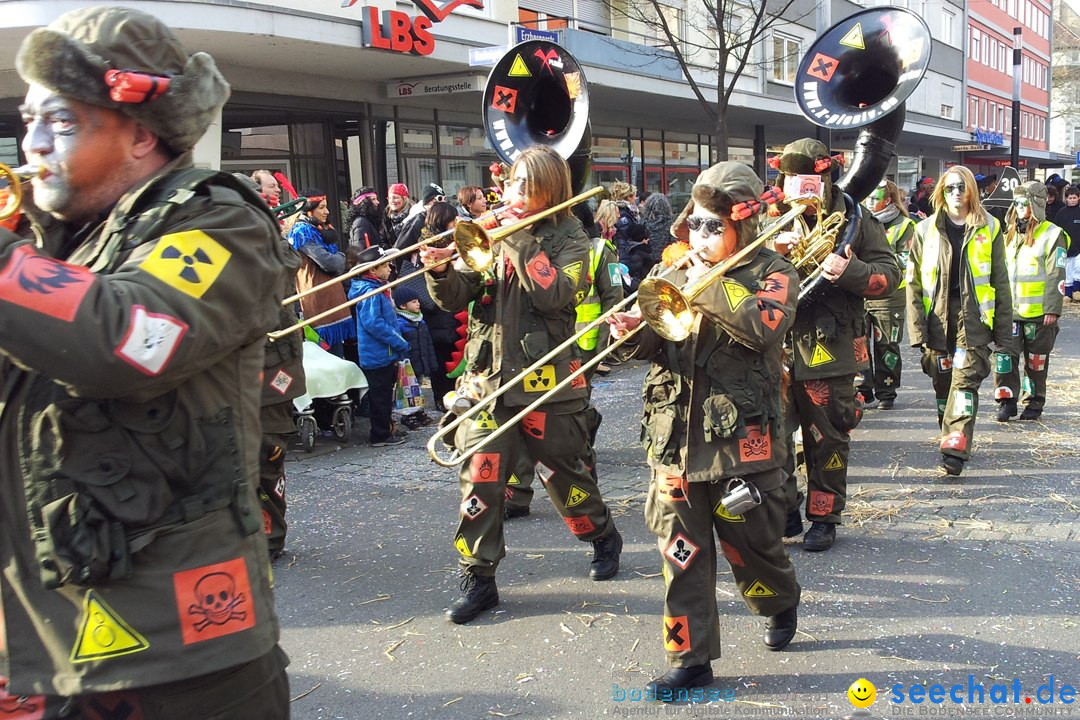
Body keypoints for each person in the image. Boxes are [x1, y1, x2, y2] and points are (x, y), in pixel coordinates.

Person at [0, 6, 290, 716]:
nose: (31, 143)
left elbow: (124, 338)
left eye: (60, 121)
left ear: (138, 133)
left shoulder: (218, 219)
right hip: (41, 642)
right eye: (28, 120)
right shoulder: (51, 239)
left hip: (171, 662)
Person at [608, 162, 801, 696]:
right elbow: (656, 343)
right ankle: (690, 658)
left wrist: (707, 286)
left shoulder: (775, 271)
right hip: (673, 440)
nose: (702, 236)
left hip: (741, 442)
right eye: (696, 224)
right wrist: (627, 333)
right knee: (680, 553)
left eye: (715, 225)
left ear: (743, 224)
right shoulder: (674, 271)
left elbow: (764, 328)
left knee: (753, 549)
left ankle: (780, 600)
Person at [421, 145, 623, 624]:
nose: (514, 194)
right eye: (512, 184)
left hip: (546, 382)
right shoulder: (488, 233)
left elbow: (557, 295)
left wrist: (515, 238)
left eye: (526, 187)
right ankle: (479, 576)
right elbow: (457, 298)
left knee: (564, 474)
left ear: (549, 192)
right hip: (487, 380)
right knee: (479, 477)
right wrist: (440, 269)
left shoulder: (572, 237)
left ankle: (601, 535)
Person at [771, 138, 900, 551]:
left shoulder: (857, 220)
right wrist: (770, 254)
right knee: (772, 435)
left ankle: (824, 516)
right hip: (771, 345)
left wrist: (850, 269)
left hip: (831, 344)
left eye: (807, 178)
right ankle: (785, 508)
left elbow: (890, 275)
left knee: (827, 436)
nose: (798, 186)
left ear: (825, 178)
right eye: (791, 178)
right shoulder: (766, 217)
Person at [906, 167, 1013, 476]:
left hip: (974, 321)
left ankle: (955, 446)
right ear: (942, 191)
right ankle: (951, 431)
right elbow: (912, 283)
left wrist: (1003, 334)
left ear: (971, 192)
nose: (956, 192)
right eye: (950, 187)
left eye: (962, 187)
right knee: (942, 384)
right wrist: (917, 330)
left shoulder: (989, 228)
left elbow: (1001, 281)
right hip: (937, 321)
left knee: (964, 382)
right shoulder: (924, 229)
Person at [235, 174, 306, 561]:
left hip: (270, 370)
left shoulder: (271, 245)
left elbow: (284, 267)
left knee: (267, 456)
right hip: (229, 371)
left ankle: (269, 536)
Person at [992, 182, 1069, 422]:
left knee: (1036, 362)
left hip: (1038, 313)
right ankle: (1007, 401)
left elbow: (1057, 273)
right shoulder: (1008, 235)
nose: (1020, 207)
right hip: (1009, 312)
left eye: (1024, 202)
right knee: (1004, 357)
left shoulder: (1052, 234)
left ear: (1036, 203)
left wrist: (1052, 309)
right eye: (1017, 202)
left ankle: (1034, 402)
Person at [857, 180, 916, 410]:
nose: (870, 202)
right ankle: (863, 389)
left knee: (886, 343)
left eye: (875, 198)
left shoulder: (904, 225)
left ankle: (887, 391)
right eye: (868, 198)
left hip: (889, 293)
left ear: (888, 200)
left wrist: (876, 262)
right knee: (858, 343)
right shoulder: (860, 221)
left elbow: (906, 259)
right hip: (861, 290)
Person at [397, 201, 461, 410]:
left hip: (441, 309)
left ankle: (446, 396)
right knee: (443, 356)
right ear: (443, 221)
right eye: (452, 220)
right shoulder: (434, 244)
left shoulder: (438, 239)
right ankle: (444, 397)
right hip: (437, 306)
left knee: (447, 355)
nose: (456, 223)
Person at [347, 245, 410, 447]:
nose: (390, 268)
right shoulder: (371, 292)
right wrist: (397, 340)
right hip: (377, 353)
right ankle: (380, 434)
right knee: (380, 395)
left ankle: (386, 428)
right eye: (385, 265)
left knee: (385, 393)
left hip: (383, 352)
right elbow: (374, 323)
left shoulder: (378, 289)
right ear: (373, 271)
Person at [287, 190, 355, 356]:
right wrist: (341, 256)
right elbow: (330, 263)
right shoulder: (302, 231)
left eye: (327, 207)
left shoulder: (318, 229)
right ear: (309, 211)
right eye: (322, 208)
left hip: (331, 300)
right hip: (317, 303)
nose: (327, 212)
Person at [394, 285, 437, 428]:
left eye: (417, 301)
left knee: (417, 388)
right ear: (402, 305)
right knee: (406, 390)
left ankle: (418, 410)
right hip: (407, 364)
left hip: (420, 362)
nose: (418, 303)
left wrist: (431, 362)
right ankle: (408, 414)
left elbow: (428, 343)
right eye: (413, 301)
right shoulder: (400, 323)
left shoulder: (421, 321)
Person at [1053, 185, 1080, 300]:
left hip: (1079, 246)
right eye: (1070, 198)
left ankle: (1077, 290)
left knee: (1078, 268)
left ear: (1079, 198)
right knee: (1068, 269)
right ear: (1066, 199)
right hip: (1067, 246)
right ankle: (1068, 293)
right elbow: (1056, 229)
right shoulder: (1061, 213)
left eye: (1074, 198)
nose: (1072, 200)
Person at [641, 192, 675, 265]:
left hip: (648, 259)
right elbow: (673, 242)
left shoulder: (644, 222)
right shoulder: (670, 223)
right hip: (666, 260)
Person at [382, 182, 413, 248]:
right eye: (389, 198)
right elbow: (383, 239)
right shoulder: (386, 216)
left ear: (404, 198)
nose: (392, 201)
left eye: (395, 197)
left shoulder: (414, 214)